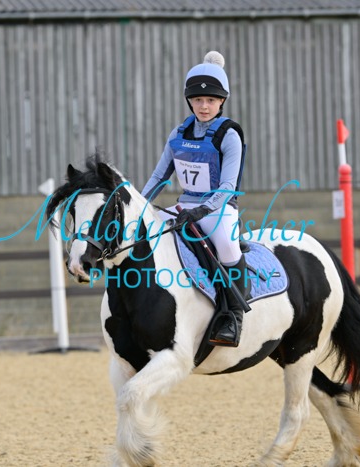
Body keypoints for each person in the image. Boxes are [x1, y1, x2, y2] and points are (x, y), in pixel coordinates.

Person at [140, 50, 249, 347]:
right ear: (189, 100)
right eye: (198, 100)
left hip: (218, 208)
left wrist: (202, 211)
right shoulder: (178, 134)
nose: (204, 106)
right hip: (183, 206)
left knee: (227, 245)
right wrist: (138, 206)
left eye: (211, 100)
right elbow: (159, 177)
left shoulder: (229, 135)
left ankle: (233, 315)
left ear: (222, 101)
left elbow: (227, 186)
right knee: (144, 234)